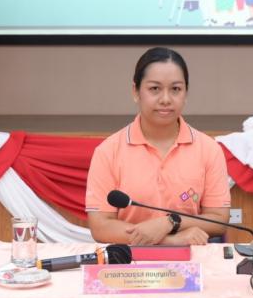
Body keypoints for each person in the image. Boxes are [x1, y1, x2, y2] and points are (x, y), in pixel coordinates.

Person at [85, 48, 232, 245]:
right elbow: (101, 226)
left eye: (175, 89)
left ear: (186, 93)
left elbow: (219, 219)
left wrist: (170, 222)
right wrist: (170, 241)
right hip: (131, 260)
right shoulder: (108, 151)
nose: (165, 99)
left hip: (192, 257)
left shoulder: (208, 149)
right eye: (154, 89)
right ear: (135, 91)